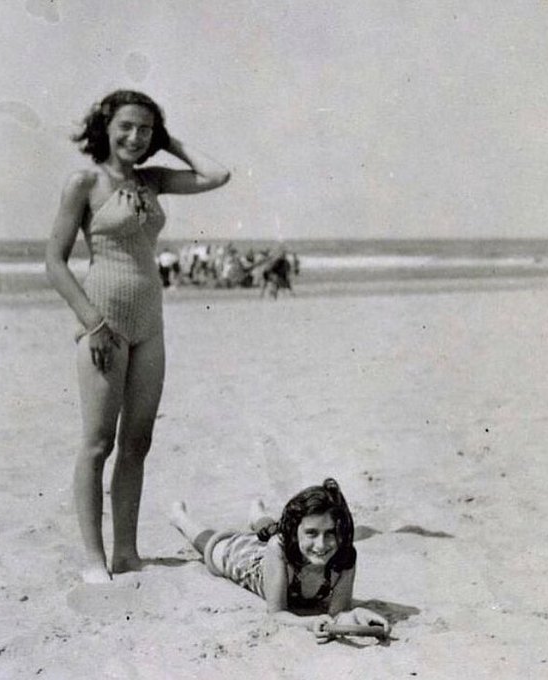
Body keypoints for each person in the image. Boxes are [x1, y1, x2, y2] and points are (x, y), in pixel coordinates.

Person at [46, 90, 230, 583]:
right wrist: (93, 322)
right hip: (103, 320)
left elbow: (217, 174)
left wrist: (171, 141)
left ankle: (126, 553)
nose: (135, 137)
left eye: (146, 129)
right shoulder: (84, 181)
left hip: (151, 322)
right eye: (126, 126)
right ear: (105, 126)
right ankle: (93, 559)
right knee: (97, 442)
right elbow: (54, 262)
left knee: (138, 441)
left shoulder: (153, 180)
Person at [170, 478, 390, 642]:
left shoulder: (345, 556)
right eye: (312, 533)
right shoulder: (281, 546)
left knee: (271, 530)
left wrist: (357, 615)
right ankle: (181, 518)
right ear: (295, 532)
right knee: (217, 546)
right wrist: (309, 622)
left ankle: (258, 514)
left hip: (288, 542)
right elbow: (276, 614)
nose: (322, 545)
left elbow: (338, 614)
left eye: (330, 533)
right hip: (254, 563)